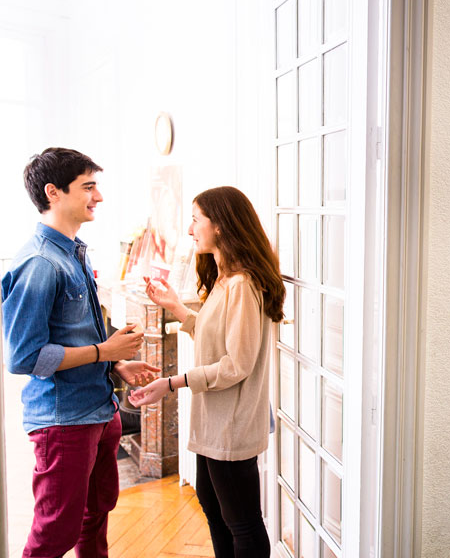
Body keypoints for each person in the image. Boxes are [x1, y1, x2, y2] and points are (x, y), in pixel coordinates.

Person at [1, 147, 160, 557]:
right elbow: (24, 358)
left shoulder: (72, 252)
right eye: (88, 187)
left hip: (97, 412)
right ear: (53, 193)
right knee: (54, 535)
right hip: (63, 422)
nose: (99, 197)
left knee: (94, 519)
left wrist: (116, 361)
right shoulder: (39, 263)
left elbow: (71, 337)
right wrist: (103, 350)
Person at [130, 186, 284, 557]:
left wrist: (171, 383)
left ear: (221, 225)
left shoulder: (244, 285)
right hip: (214, 422)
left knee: (242, 523)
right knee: (215, 511)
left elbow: (237, 364)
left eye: (196, 219)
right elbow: (216, 337)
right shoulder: (223, 279)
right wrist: (176, 308)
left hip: (230, 427)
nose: (189, 229)